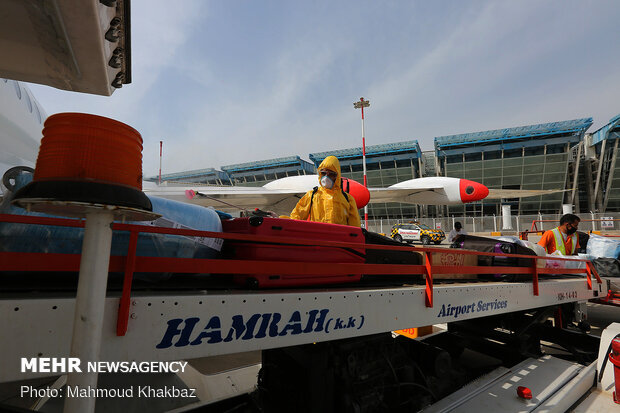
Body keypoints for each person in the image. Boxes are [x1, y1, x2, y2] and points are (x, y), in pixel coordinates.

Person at [290, 155, 361, 227]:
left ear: (337, 176)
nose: (326, 177)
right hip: (317, 237)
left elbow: (355, 227)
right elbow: (296, 217)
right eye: (323, 173)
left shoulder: (348, 199)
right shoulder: (312, 195)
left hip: (338, 237)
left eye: (331, 174)